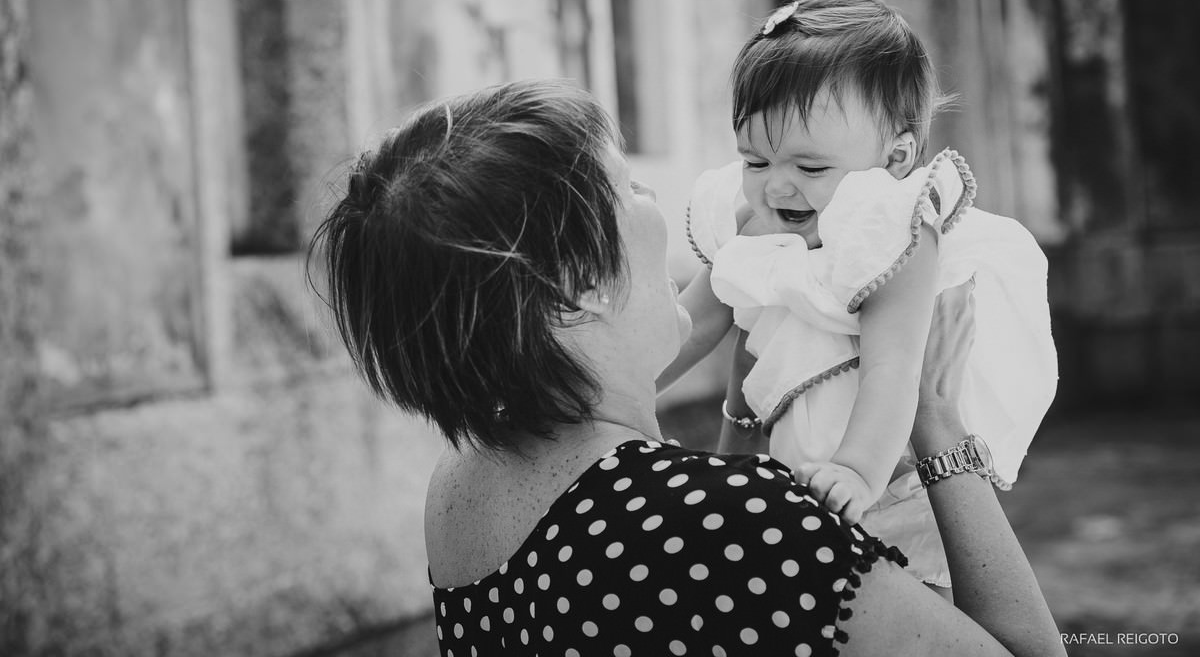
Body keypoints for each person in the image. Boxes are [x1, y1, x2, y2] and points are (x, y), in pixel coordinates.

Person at [308, 78, 1065, 656]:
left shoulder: (463, 486)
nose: (656, 203)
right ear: (578, 287)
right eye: (626, 188)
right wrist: (937, 423)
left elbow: (713, 602)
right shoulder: (724, 523)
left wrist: (752, 365)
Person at [657, 0, 1058, 591]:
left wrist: (857, 470)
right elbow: (693, 322)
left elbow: (893, 368)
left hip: (890, 473)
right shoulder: (750, 218)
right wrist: (621, 387)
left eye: (810, 168)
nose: (777, 188)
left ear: (894, 158)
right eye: (755, 160)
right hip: (791, 456)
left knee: (911, 604)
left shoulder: (894, 231)